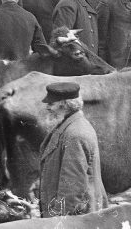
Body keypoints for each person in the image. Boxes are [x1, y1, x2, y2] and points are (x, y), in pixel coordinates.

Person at [37, 80, 106, 216]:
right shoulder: (69, 125)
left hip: (76, 217)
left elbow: (72, 189)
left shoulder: (75, 135)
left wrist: (56, 221)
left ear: (64, 105)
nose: (47, 107)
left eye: (51, 103)